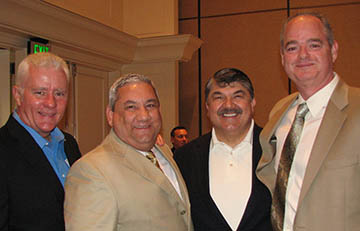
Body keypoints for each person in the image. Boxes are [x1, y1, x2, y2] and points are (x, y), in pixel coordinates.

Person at [256, 12, 360, 231]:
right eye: (292, 48)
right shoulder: (280, 112)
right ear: (283, 58)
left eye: (314, 45)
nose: (302, 55)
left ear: (333, 51)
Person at [64, 73, 193, 231]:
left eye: (150, 105)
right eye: (131, 107)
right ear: (110, 116)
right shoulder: (91, 172)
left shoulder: (164, 151)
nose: (144, 116)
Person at [174, 68, 272, 231]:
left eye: (238, 96)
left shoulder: (276, 148)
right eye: (219, 97)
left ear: (253, 103)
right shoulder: (184, 158)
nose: (228, 105)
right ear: (207, 106)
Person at [0, 52, 81, 231]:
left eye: (59, 93)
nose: (51, 103)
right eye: (40, 92)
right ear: (18, 95)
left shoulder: (69, 144)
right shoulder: (3, 150)